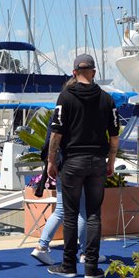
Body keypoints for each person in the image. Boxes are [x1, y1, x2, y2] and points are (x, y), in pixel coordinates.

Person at [46, 54, 120, 278]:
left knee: (70, 214)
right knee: (93, 214)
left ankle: (68, 266)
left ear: (74, 72)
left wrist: (51, 160)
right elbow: (114, 136)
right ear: (94, 73)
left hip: (72, 162)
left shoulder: (65, 97)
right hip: (97, 162)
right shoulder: (107, 99)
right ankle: (91, 266)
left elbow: (56, 134)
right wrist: (111, 161)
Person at [31, 79, 106, 266]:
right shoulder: (81, 112)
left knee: (61, 209)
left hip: (62, 164)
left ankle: (42, 246)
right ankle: (84, 253)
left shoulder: (60, 110)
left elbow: (52, 137)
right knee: (81, 211)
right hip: (75, 164)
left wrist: (51, 162)